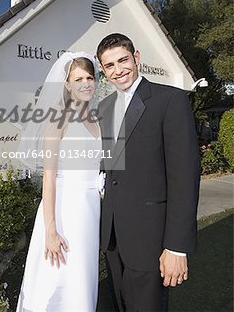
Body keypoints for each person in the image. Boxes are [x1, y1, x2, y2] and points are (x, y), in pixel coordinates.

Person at [96, 33, 201, 312]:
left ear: (136, 57)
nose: (118, 70)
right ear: (103, 71)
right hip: (113, 237)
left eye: (123, 60)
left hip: (150, 239)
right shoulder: (104, 109)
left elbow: (185, 178)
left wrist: (176, 247)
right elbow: (109, 168)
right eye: (109, 66)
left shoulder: (170, 101)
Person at [16, 51, 102, 312]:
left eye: (90, 77)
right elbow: (50, 178)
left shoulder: (95, 118)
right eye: (78, 79)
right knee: (59, 279)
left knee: (82, 278)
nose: (85, 83)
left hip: (89, 210)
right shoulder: (58, 118)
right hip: (65, 209)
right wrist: (51, 231)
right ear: (67, 84)